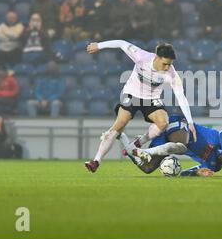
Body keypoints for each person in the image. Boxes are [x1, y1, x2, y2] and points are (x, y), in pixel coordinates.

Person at [84, 41, 197, 173]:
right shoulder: (142, 57)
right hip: (131, 94)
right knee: (120, 124)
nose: (167, 68)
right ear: (156, 57)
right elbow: (121, 43)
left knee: (163, 122)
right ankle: (96, 161)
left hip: (151, 99)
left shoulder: (171, 74)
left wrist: (190, 122)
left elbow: (181, 97)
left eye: (170, 64)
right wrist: (99, 46)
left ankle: (139, 142)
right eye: (164, 64)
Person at [119, 114, 222, 177]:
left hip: (169, 144)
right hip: (179, 126)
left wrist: (197, 173)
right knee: (183, 145)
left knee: (148, 169)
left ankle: (128, 145)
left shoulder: (215, 166)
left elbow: (184, 173)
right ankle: (146, 151)